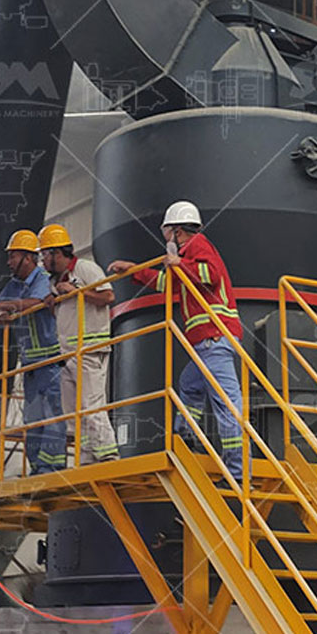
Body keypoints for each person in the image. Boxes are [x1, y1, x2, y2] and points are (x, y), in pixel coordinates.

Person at [108, 201, 244, 477]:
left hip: (214, 339)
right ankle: (187, 436)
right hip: (206, 345)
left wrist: (179, 261)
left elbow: (211, 274)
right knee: (189, 385)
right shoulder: (187, 259)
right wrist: (134, 271)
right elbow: (167, 285)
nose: (166, 240)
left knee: (227, 406)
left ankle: (239, 472)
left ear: (177, 231)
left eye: (167, 234)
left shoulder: (196, 246)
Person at [0, 230, 66, 474]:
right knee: (32, 418)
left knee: (50, 413)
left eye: (13, 256)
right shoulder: (15, 285)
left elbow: (40, 301)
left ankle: (52, 465)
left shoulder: (41, 278)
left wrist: (7, 306)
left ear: (29, 258)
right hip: (30, 362)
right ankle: (37, 466)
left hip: (50, 360)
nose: (9, 262)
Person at [39, 224, 120, 465]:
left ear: (57, 253)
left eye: (45, 254)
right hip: (67, 353)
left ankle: (108, 454)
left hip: (89, 349)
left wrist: (77, 291)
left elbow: (108, 297)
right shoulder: (56, 281)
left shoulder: (85, 269)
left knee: (91, 404)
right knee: (75, 411)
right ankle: (86, 459)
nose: (43, 261)